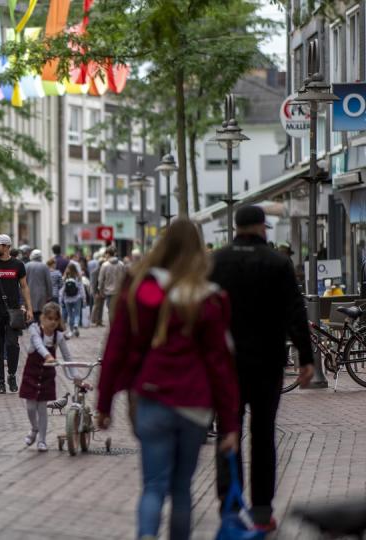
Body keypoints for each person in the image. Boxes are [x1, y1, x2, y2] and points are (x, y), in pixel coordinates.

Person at [96, 219, 241, 540]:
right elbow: (220, 364)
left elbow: (116, 348)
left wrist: (104, 403)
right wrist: (230, 424)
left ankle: (146, 536)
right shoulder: (208, 297)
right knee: (181, 490)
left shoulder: (140, 288)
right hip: (194, 403)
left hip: (152, 396)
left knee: (153, 486)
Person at [210, 205, 314, 531]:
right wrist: (306, 357)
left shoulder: (216, 262)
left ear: (236, 227)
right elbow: (294, 312)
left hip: (226, 363)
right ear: (262, 228)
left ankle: (230, 504)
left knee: (229, 430)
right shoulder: (278, 263)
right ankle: (261, 509)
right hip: (267, 363)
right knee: (263, 433)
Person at [0, 234, 34, 394]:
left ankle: (11, 374)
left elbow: (24, 287)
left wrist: (29, 308)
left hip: (14, 312)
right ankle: (0, 382)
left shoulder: (18, 265)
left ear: (6, 247)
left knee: (12, 345)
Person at [20, 303, 71, 452]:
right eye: (49, 318)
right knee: (30, 407)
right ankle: (34, 428)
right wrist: (48, 356)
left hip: (47, 376)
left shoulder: (59, 336)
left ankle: (42, 440)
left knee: (42, 408)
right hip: (32, 374)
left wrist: (75, 376)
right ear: (43, 318)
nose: (53, 322)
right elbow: (39, 345)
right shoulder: (35, 330)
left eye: (56, 319)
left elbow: (67, 358)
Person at [97, 246, 127, 323]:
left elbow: (100, 280)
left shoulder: (104, 265)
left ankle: (113, 329)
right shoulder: (121, 264)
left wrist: (100, 290)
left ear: (108, 254)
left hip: (109, 292)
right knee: (118, 311)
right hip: (119, 292)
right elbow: (125, 278)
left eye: (106, 254)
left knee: (110, 311)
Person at [59, 264, 85, 338]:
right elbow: (81, 288)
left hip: (67, 299)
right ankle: (76, 324)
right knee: (77, 313)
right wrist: (84, 298)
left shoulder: (65, 278)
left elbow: (62, 290)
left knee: (70, 315)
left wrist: (61, 299)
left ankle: (71, 331)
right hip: (77, 298)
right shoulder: (78, 277)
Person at [25, 249, 51, 322]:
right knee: (40, 311)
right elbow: (48, 281)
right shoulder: (44, 266)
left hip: (29, 292)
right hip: (42, 293)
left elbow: (23, 281)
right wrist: (50, 294)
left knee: (31, 309)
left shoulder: (26, 266)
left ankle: (32, 325)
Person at [89, 249, 105, 327]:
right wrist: (95, 292)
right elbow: (93, 283)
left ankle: (99, 321)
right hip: (97, 292)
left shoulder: (102, 272)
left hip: (102, 291)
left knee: (101, 307)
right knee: (96, 306)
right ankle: (93, 320)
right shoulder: (95, 272)